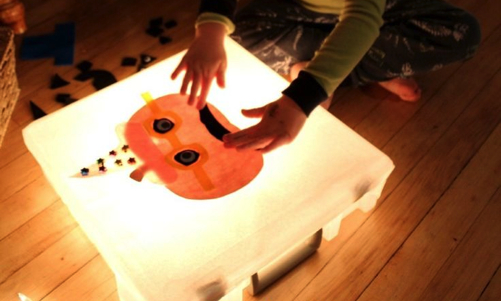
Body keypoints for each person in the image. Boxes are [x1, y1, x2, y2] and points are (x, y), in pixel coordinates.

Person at [171, 0, 481, 153]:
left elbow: (363, 17)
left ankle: (351, 64)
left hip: (385, 13)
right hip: (302, 10)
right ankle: (370, 62)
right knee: (237, 35)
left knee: (461, 33)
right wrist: (211, 32)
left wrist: (301, 98)